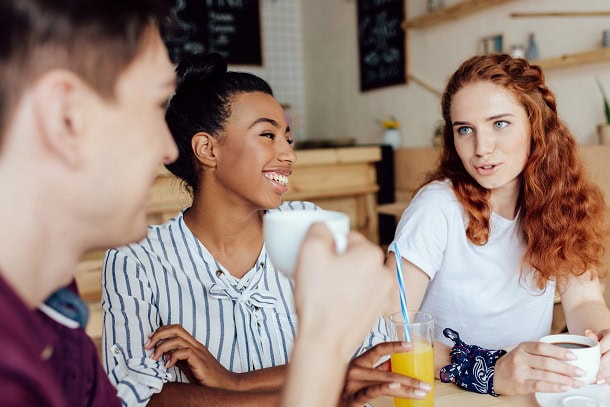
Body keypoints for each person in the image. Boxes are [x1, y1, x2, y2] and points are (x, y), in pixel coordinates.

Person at [102, 52, 430, 406]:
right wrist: (320, 382)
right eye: (267, 135)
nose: (288, 154)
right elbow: (133, 396)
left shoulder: (312, 229)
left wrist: (234, 384)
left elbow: (371, 360)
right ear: (207, 149)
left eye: (287, 139)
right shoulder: (135, 259)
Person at [387, 53, 610, 396]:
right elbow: (389, 329)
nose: (482, 148)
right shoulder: (437, 207)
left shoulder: (559, 201)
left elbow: (583, 303)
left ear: (536, 125)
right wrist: (487, 369)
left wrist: (602, 340)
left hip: (526, 395)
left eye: (500, 123)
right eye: (465, 130)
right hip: (445, 393)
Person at [0, 0, 178, 404]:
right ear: (66, 116)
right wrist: (321, 349)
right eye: (156, 105)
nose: (169, 150)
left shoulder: (54, 302)